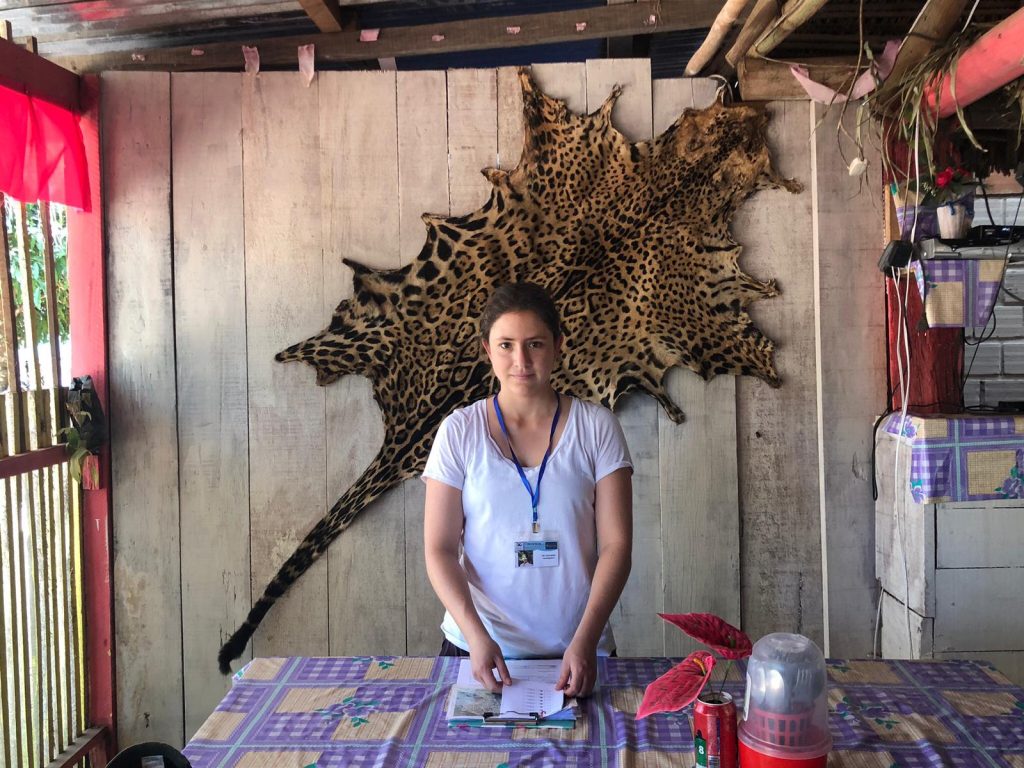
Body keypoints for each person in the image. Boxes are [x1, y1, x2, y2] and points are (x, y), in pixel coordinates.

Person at [422, 282, 634, 698]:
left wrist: (586, 637)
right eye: (506, 345)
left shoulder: (597, 427)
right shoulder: (459, 432)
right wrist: (476, 635)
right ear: (487, 350)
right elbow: (439, 549)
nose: (520, 360)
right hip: (478, 649)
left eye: (534, 344)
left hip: (579, 651)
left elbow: (617, 546)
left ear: (558, 345)